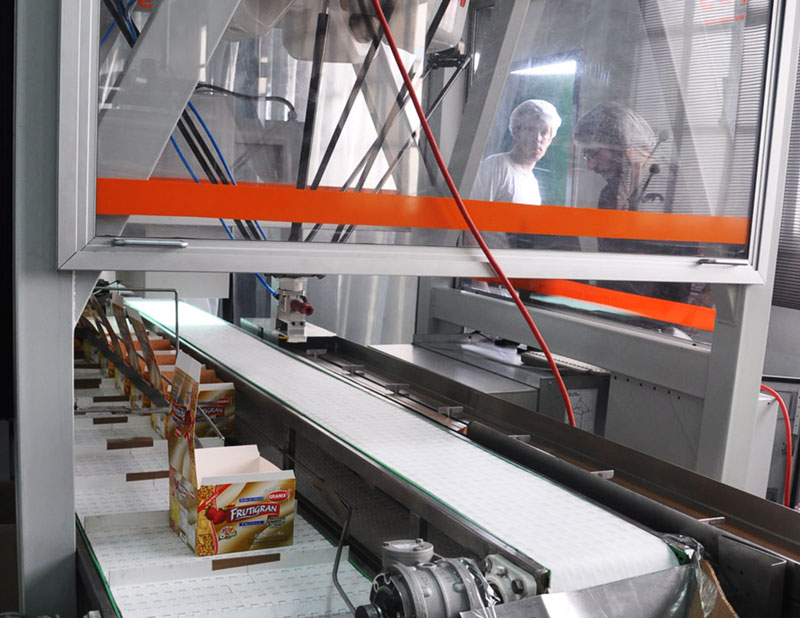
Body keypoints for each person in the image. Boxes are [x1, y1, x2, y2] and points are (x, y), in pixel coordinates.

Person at [573, 102, 694, 304]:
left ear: (621, 143)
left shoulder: (674, 187)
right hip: (612, 308)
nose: (590, 165)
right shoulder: (608, 194)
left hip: (661, 310)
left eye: (593, 154)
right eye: (586, 156)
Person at [470, 99, 563, 249]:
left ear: (551, 139)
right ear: (515, 131)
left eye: (544, 132)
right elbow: (470, 221)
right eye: (530, 129)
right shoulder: (496, 166)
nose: (537, 138)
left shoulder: (532, 182)